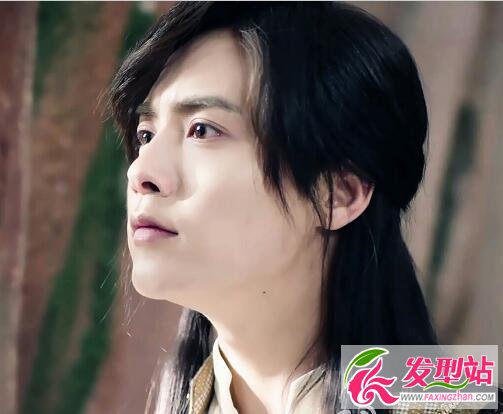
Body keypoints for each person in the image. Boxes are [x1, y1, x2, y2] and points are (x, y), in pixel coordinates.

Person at [106, 2, 501, 414]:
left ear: (339, 194)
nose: (141, 171)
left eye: (202, 130)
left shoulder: (457, 400)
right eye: (146, 135)